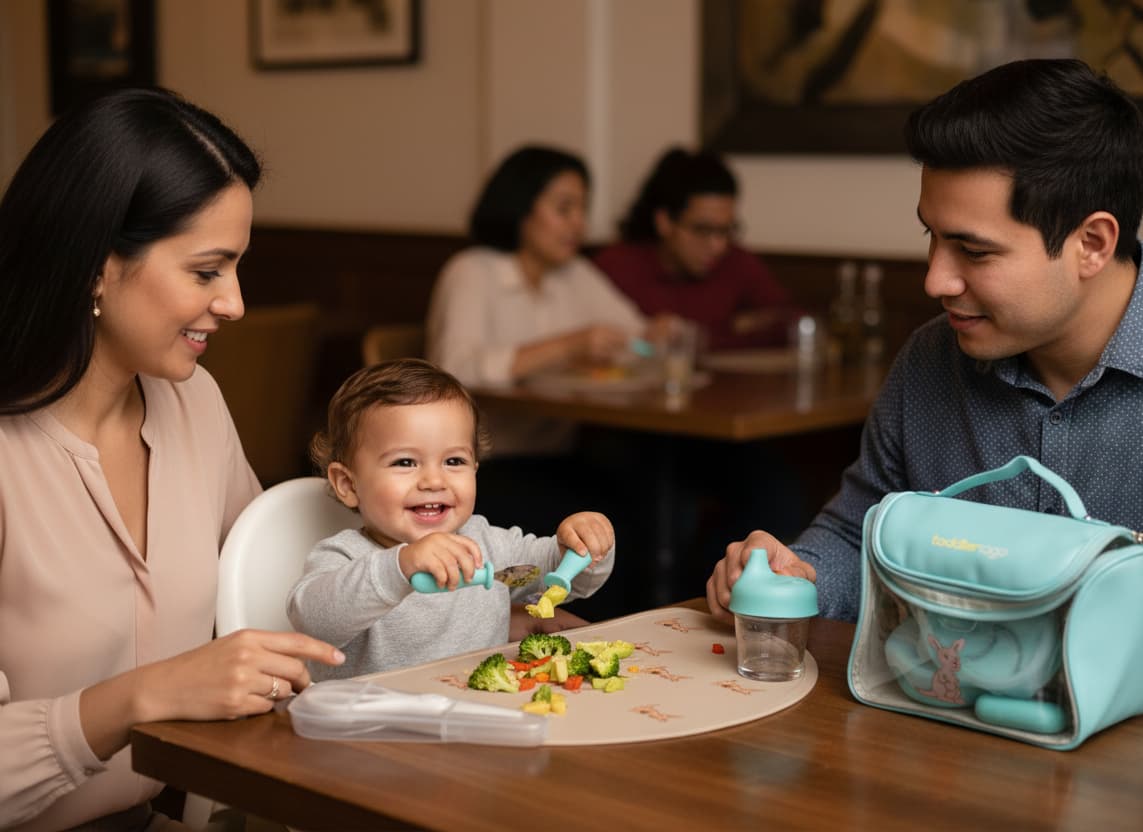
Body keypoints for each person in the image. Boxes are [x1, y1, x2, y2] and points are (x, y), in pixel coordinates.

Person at [0, 88, 344, 830]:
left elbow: (281, 589)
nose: (235, 304)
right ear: (94, 265)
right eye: (206, 270)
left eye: (237, 268)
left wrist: (481, 594)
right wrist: (142, 696)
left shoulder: (193, 405)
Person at [706, 58, 1143, 625]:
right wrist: (794, 574)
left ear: (1092, 243)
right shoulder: (931, 359)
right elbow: (860, 537)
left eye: (976, 251)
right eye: (930, 237)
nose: (936, 280)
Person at [425, 145, 670, 617]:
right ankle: (573, 639)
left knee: (641, 505)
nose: (579, 224)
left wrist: (657, 334)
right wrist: (570, 344)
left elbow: (637, 334)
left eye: (582, 209)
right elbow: (453, 370)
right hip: (484, 468)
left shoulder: (573, 274)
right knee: (606, 512)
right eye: (564, 208)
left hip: (559, 453)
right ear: (521, 206)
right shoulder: (472, 270)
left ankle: (622, 640)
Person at [286, 358, 616, 679]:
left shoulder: (485, 543)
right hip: (373, 728)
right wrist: (400, 567)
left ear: (475, 468)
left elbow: (557, 576)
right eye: (405, 463)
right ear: (348, 484)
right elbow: (314, 620)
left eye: (454, 461)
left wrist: (582, 545)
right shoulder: (346, 555)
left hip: (477, 717)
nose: (434, 481)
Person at [594, 146, 797, 351]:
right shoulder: (618, 267)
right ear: (664, 222)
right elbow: (619, 345)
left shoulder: (736, 261)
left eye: (726, 230)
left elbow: (791, 323)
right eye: (702, 230)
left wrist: (700, 337)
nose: (718, 245)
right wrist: (734, 327)